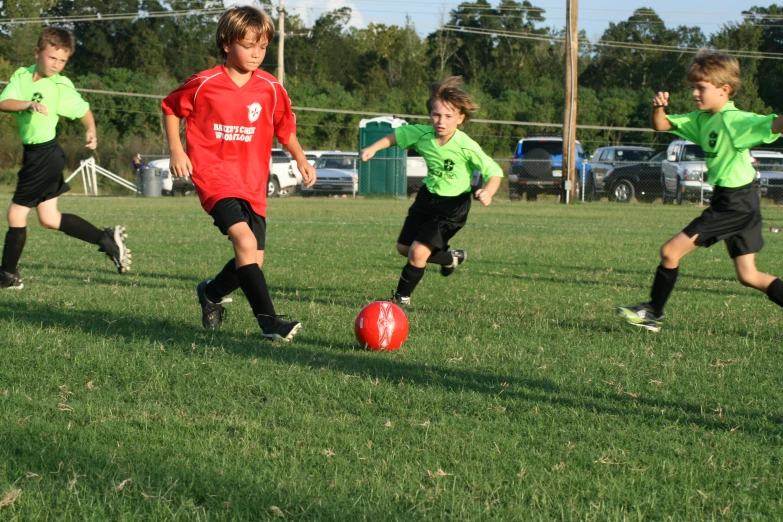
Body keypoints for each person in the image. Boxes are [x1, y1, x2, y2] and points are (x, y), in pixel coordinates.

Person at [162, 6, 316, 341]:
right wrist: (177, 149)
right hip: (215, 178)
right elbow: (172, 108)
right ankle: (270, 323)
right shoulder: (205, 83)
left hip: (253, 183)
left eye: (263, 47)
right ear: (227, 43)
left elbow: (284, 128)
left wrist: (301, 158)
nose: (257, 54)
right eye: (249, 46)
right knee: (244, 241)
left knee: (252, 260)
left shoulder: (271, 88)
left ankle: (212, 293)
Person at [617, 51, 783, 332]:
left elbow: (776, 125)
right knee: (749, 275)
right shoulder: (702, 119)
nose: (695, 93)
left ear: (724, 89)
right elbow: (661, 124)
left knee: (670, 251)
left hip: (735, 203)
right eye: (693, 86)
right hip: (740, 202)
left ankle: (653, 313)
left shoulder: (735, 121)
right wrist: (658, 107)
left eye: (701, 87)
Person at [0, 27, 131, 289]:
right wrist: (28, 103)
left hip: (45, 155)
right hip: (36, 155)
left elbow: (84, 110)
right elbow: (4, 102)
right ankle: (106, 239)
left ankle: (7, 276)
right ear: (37, 52)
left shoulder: (60, 86)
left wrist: (91, 129)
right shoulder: (21, 75)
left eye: (63, 61)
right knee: (49, 218)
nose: (57, 65)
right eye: (52, 58)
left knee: (15, 214)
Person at [360, 76, 503, 306]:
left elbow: (493, 171)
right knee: (404, 248)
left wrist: (489, 191)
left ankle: (400, 300)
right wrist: (374, 148)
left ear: (460, 118)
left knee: (417, 252)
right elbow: (397, 136)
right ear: (430, 116)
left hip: (452, 207)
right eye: (436, 115)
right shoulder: (423, 135)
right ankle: (450, 258)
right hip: (427, 198)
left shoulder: (466, 145)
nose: (441, 121)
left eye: (448, 116)